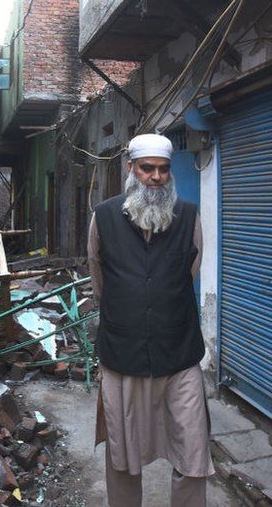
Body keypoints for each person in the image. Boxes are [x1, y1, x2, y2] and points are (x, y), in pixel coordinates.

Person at [87, 133, 212, 507]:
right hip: (123, 353)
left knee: (193, 451)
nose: (156, 177)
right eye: (147, 169)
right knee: (123, 455)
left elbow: (189, 271)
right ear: (131, 169)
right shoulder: (104, 217)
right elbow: (99, 279)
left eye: (162, 169)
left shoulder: (188, 215)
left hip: (179, 353)